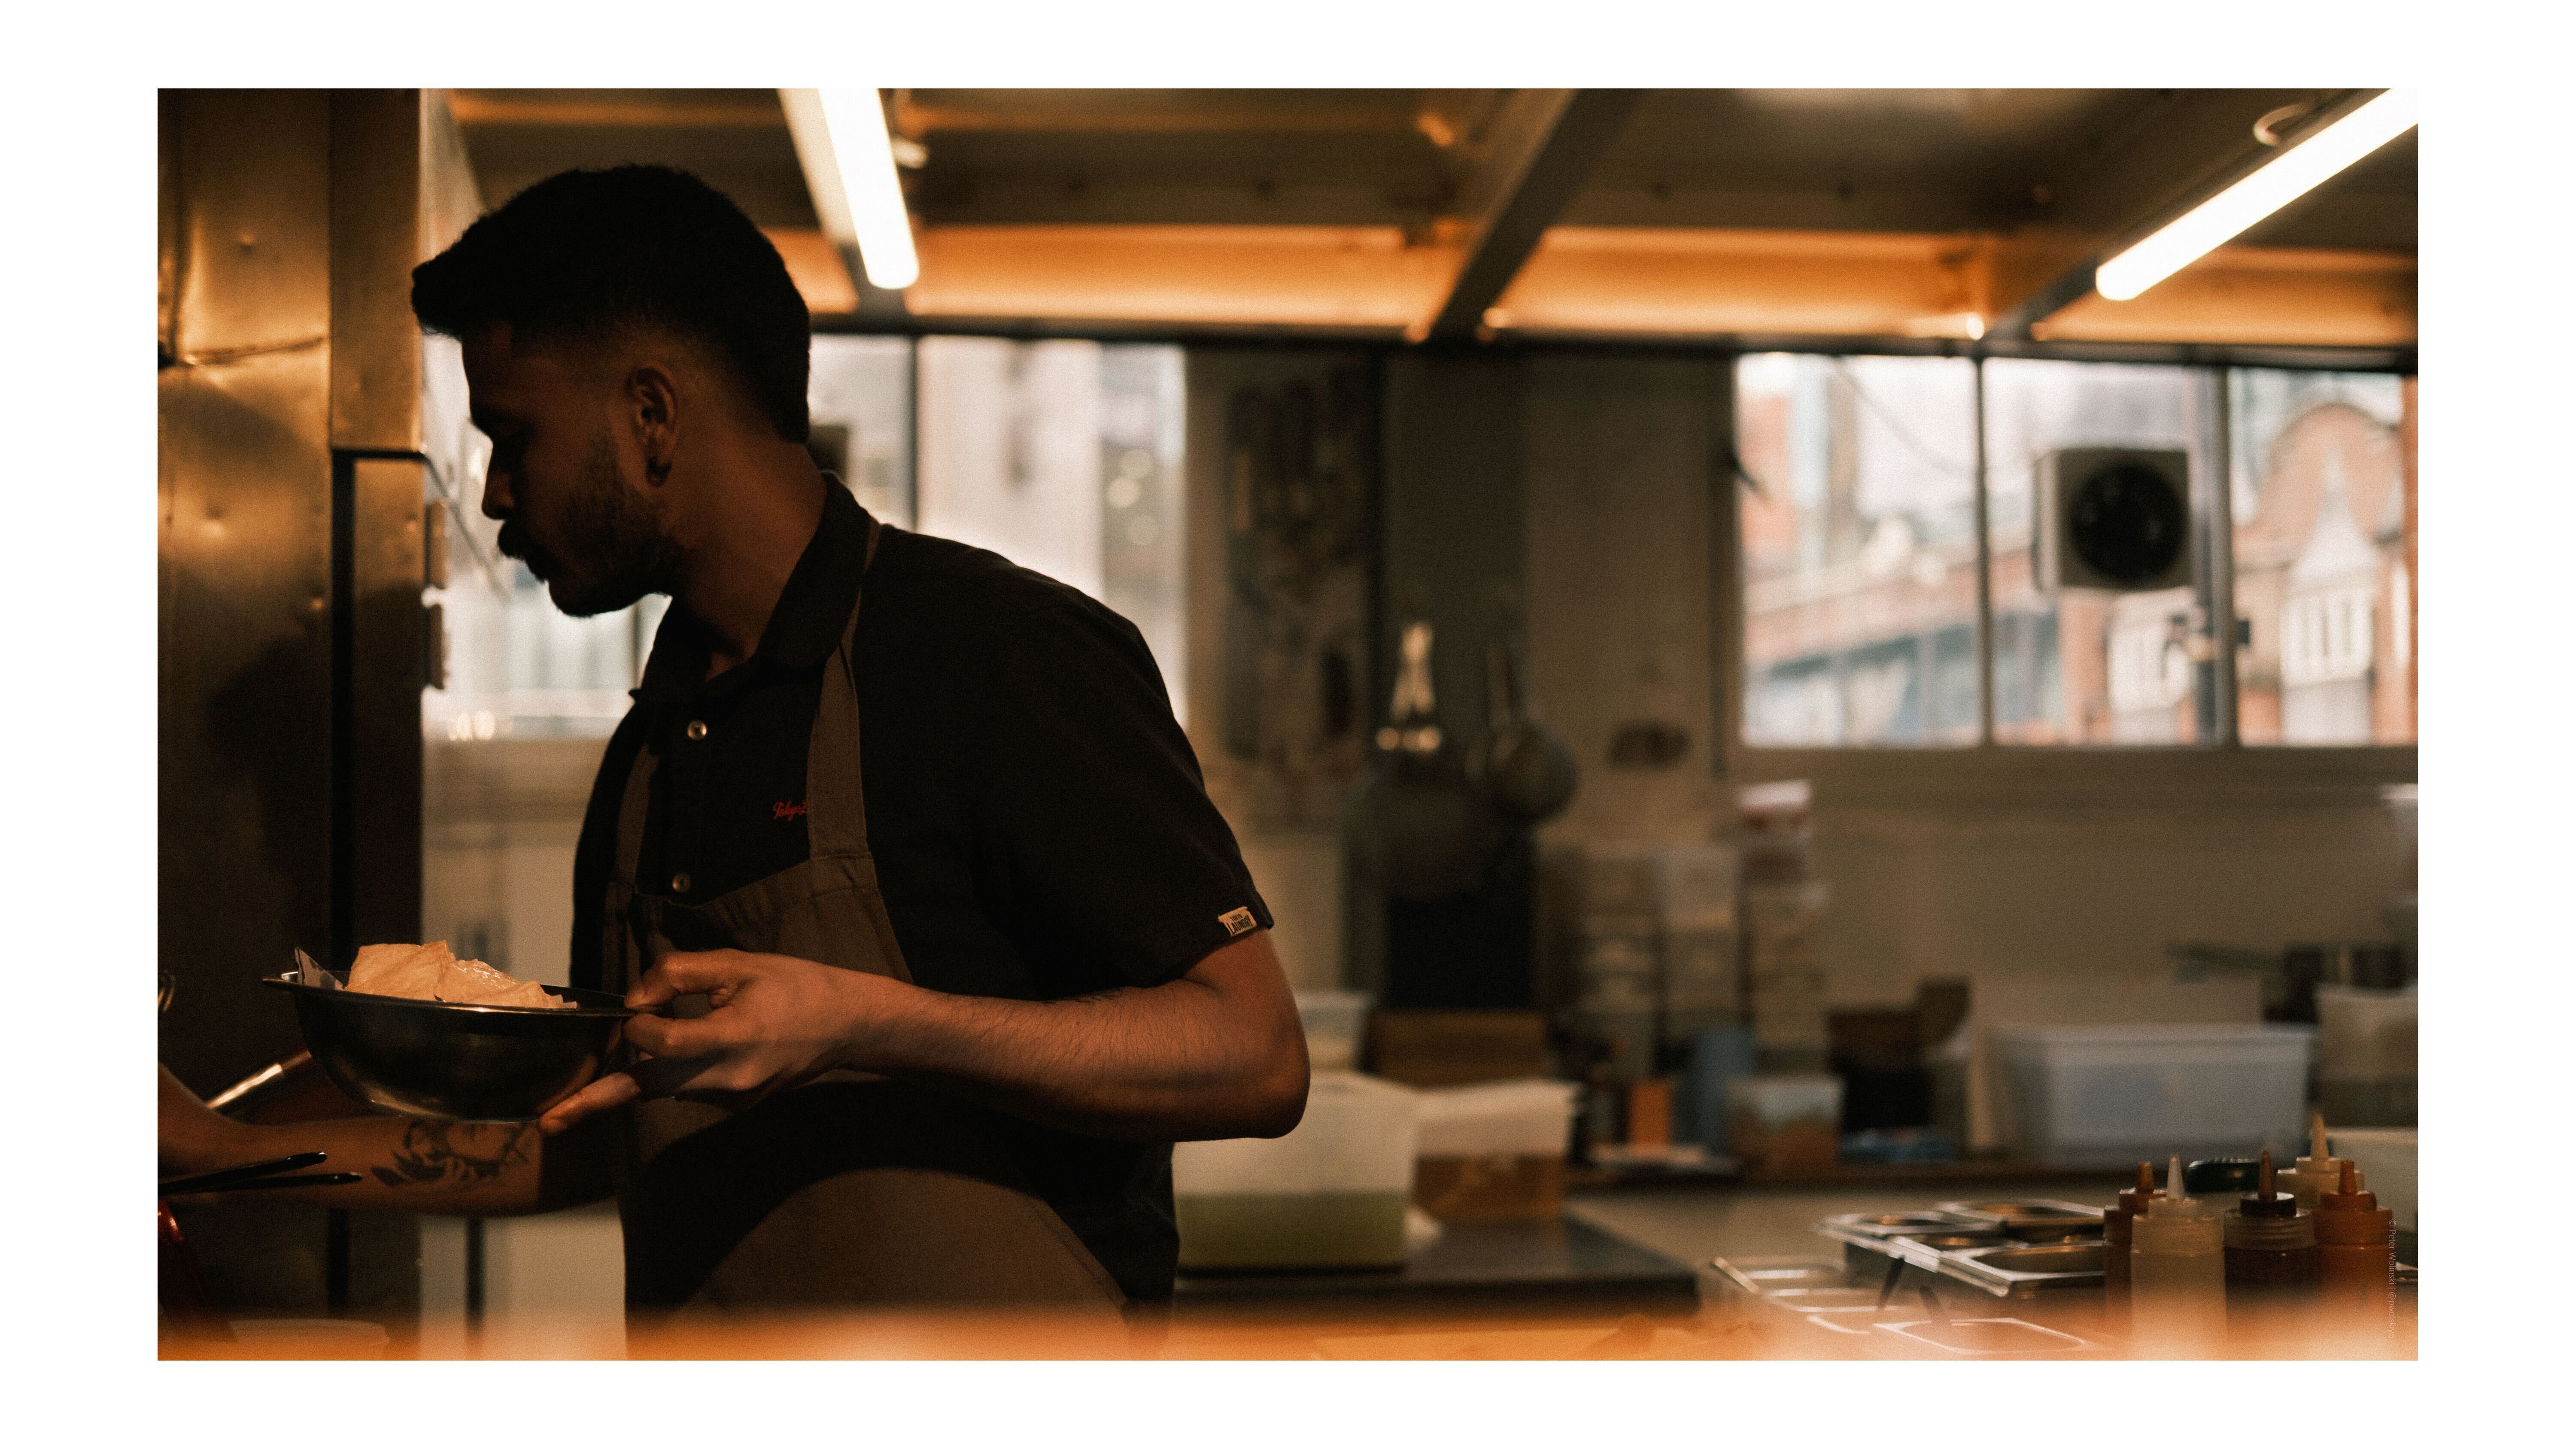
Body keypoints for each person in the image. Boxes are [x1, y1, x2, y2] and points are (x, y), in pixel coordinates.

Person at [158, 164, 1309, 1333]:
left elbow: (1254, 1052)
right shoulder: (654, 745)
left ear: (651, 417)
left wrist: (861, 1020)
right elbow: (585, 1133)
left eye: (514, 436)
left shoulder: (992, 654)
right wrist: (218, 1154)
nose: (496, 494)